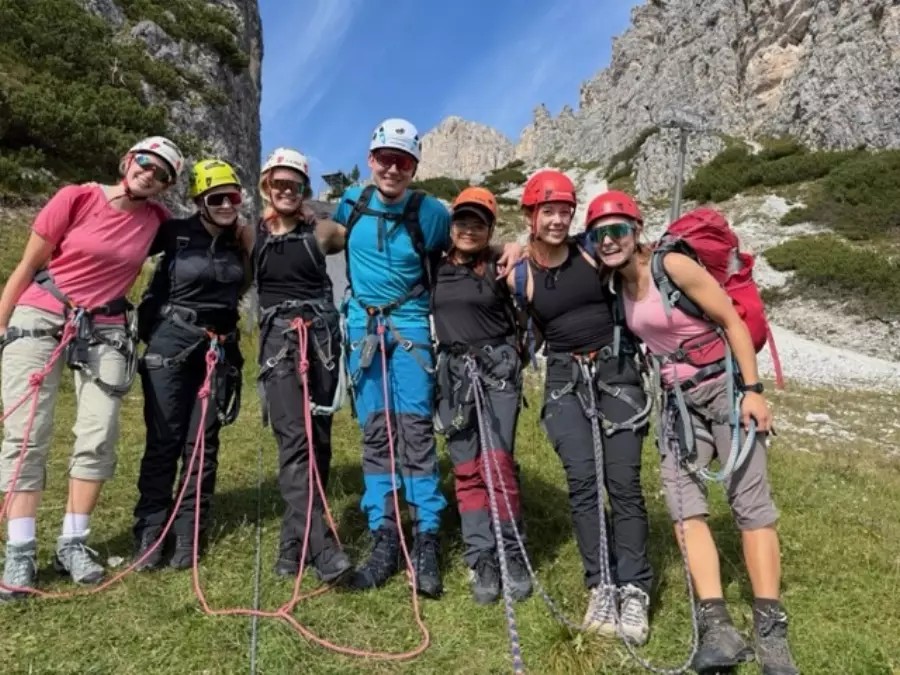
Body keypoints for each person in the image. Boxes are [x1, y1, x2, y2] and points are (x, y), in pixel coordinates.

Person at [591, 191, 798, 674]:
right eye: (599, 235)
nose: (608, 241)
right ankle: (717, 627)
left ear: (636, 230)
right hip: (677, 405)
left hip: (724, 389)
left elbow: (731, 321)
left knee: (751, 506)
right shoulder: (614, 284)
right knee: (685, 510)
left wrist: (753, 392)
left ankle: (771, 632)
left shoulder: (672, 266)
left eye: (617, 230)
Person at [332, 117, 522, 599]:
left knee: (415, 432)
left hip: (411, 331)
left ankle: (427, 537)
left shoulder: (431, 212)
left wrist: (515, 247)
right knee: (377, 432)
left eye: (403, 161)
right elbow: (325, 235)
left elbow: (469, 243)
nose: (392, 169)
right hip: (363, 330)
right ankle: (385, 535)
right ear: (371, 159)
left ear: (414, 167)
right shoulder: (352, 202)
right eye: (385, 159)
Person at [0, 136, 183, 599]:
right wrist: (1, 323)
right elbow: (27, 265)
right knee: (26, 432)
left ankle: (73, 542)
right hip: (42, 312)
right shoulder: (77, 198)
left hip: (106, 325)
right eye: (146, 162)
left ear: (166, 186)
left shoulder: (157, 221)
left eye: (163, 173)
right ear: (129, 160)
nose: (150, 173)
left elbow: (201, 232)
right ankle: (20, 550)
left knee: (99, 431)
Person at [509, 171, 653, 645]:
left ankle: (634, 588)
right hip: (564, 382)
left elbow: (633, 253)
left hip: (616, 373)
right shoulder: (519, 274)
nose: (556, 220)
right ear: (530, 216)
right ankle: (601, 585)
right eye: (547, 211)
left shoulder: (591, 250)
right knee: (584, 483)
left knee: (623, 482)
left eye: (564, 212)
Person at [131, 158, 252, 570]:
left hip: (219, 347)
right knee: (164, 438)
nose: (226, 204)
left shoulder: (241, 240)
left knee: (202, 442)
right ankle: (150, 529)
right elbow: (124, 249)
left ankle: (188, 530)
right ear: (200, 201)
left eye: (232, 196)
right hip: (172, 341)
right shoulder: (174, 232)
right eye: (216, 198)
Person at [253, 148, 352, 584]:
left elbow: (363, 231)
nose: (287, 190)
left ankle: (292, 542)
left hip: (321, 340)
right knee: (294, 439)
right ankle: (322, 546)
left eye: (295, 185)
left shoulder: (323, 232)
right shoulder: (250, 236)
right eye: (279, 183)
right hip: (280, 343)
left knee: (319, 439)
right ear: (266, 186)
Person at [431, 187, 532, 605]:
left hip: (496, 371)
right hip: (453, 374)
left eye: (479, 223)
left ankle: (512, 549)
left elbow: (536, 260)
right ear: (451, 225)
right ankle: (481, 556)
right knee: (466, 467)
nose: (469, 230)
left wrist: (516, 246)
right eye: (462, 222)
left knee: (498, 463)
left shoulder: (499, 265)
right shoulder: (434, 267)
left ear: (490, 229)